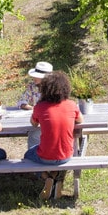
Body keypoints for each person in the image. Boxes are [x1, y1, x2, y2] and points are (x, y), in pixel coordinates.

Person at [23, 71, 83, 199]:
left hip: (45, 155)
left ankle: (46, 177)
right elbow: (80, 120)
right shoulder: (71, 105)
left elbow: (33, 124)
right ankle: (56, 177)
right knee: (60, 154)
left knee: (28, 155)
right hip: (67, 155)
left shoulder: (40, 107)